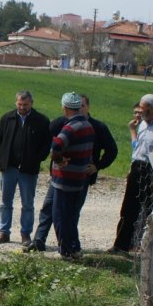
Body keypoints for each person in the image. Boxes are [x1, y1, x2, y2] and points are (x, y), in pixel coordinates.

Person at [26, 94, 118, 252]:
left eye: (83, 105)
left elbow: (112, 150)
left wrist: (97, 166)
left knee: (69, 213)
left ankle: (70, 248)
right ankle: (39, 240)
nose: (80, 108)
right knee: (48, 209)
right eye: (78, 105)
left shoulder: (96, 127)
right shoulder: (62, 123)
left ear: (87, 107)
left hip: (79, 177)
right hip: (59, 177)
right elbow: (48, 138)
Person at [109, 94, 153, 254]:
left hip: (151, 171)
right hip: (137, 168)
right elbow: (137, 148)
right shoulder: (143, 124)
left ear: (152, 109)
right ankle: (121, 245)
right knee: (128, 209)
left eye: (143, 109)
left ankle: (146, 248)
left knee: (149, 211)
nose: (140, 113)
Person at [0, 90, 51, 246]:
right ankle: (4, 232)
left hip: (28, 170)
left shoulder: (41, 121)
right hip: (9, 168)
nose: (22, 107)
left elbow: (47, 143)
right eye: (19, 104)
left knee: (27, 204)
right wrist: (1, 157)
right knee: (6, 202)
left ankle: (25, 234)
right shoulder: (7, 118)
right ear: (15, 102)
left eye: (25, 104)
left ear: (31, 103)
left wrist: (38, 158)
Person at [50, 92, 94, 259]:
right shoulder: (87, 125)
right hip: (79, 178)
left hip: (65, 179)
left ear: (65, 107)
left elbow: (56, 146)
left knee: (60, 215)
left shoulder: (70, 127)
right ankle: (74, 249)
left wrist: (59, 159)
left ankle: (65, 251)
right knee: (70, 216)